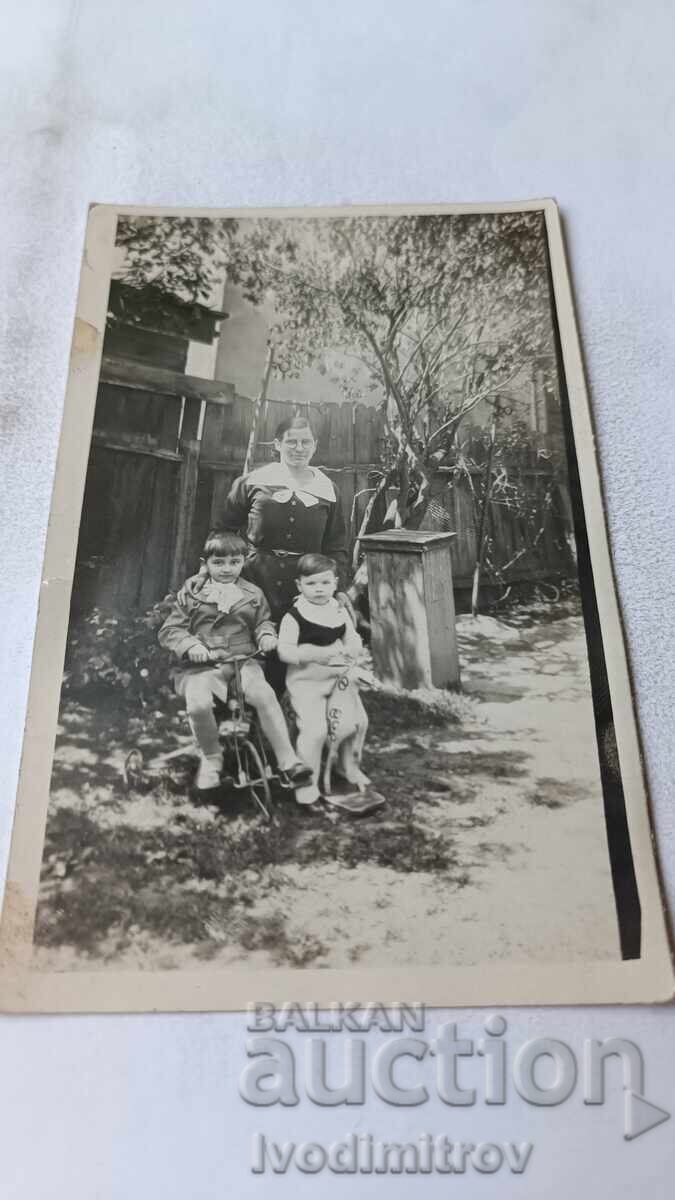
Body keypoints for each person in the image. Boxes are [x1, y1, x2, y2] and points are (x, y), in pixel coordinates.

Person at [159, 531, 313, 792]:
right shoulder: (192, 592)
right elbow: (170, 630)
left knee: (263, 694)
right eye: (218, 563)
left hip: (244, 662)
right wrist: (191, 645)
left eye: (234, 562)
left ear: (244, 562)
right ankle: (212, 758)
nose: (227, 569)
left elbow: (263, 621)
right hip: (202, 666)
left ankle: (288, 761)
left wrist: (266, 635)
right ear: (205, 563)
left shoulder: (253, 594)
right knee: (198, 702)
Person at [277, 553, 371, 808]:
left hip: (336, 677)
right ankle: (306, 785)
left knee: (355, 722)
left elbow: (352, 636)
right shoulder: (295, 616)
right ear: (299, 585)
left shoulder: (336, 609)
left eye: (325, 583)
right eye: (311, 584)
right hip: (307, 683)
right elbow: (284, 651)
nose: (319, 589)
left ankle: (347, 767)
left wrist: (352, 649)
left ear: (335, 583)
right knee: (316, 731)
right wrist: (311, 654)